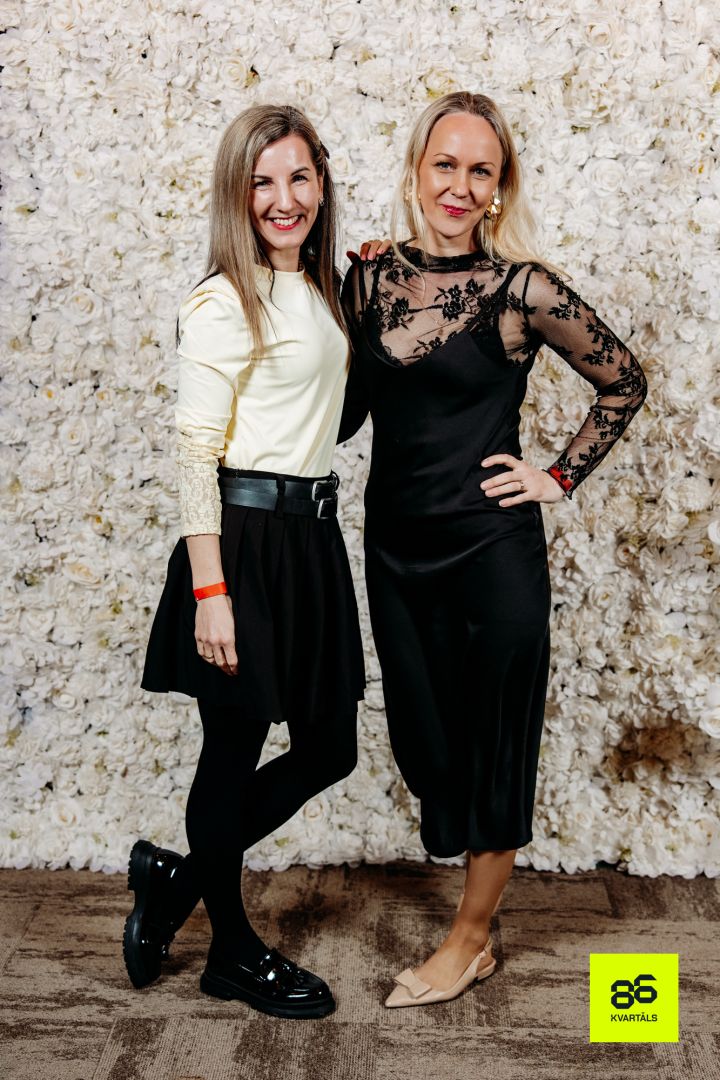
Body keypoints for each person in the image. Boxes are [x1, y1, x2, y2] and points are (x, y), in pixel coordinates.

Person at [338, 91, 648, 1008]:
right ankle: (471, 909)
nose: (460, 186)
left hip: (492, 554)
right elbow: (344, 414)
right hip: (397, 553)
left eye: (482, 170)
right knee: (426, 747)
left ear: (500, 185)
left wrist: (556, 477)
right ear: (416, 170)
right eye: (446, 164)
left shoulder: (524, 290)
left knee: (495, 742)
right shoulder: (367, 283)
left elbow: (624, 381)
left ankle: (469, 941)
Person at [124, 104, 365, 1020]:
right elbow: (196, 453)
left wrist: (371, 289)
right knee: (233, 749)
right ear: (237, 194)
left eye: (299, 176)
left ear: (321, 184)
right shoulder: (222, 301)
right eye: (262, 182)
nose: (282, 198)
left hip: (310, 542)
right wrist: (211, 591)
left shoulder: (323, 290)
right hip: (241, 541)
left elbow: (334, 419)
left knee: (329, 748)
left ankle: (176, 880)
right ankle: (230, 950)